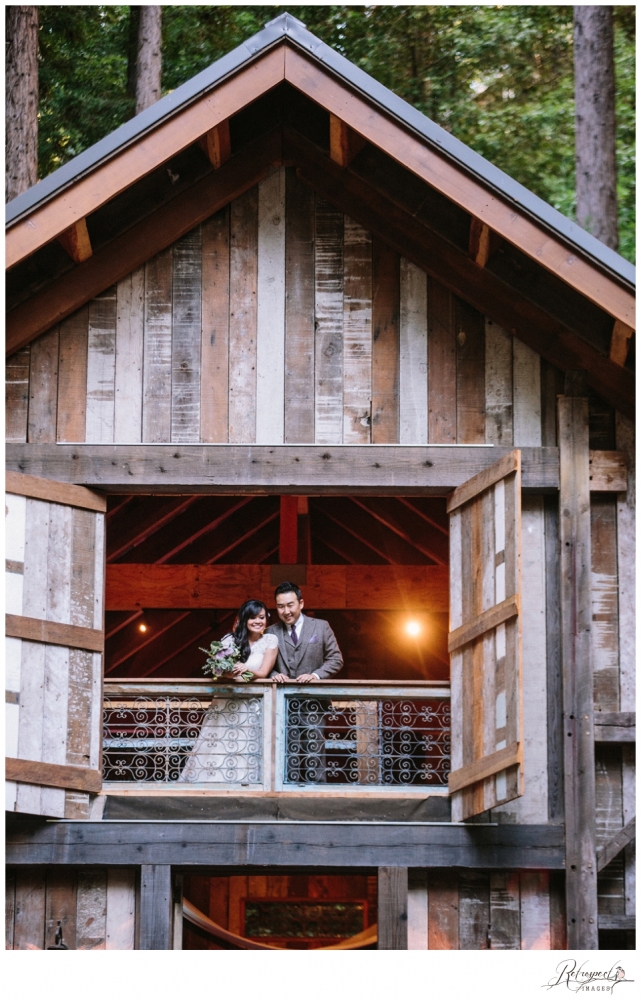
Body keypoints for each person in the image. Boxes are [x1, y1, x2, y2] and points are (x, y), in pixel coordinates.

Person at [178, 600, 277, 783]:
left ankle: (246, 783)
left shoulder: (270, 641)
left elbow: (263, 673)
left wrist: (245, 671)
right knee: (218, 744)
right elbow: (218, 672)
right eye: (253, 617)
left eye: (261, 617)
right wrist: (226, 672)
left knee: (246, 745)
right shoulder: (229, 640)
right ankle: (212, 782)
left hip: (251, 705)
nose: (258, 621)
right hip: (226, 702)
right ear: (244, 619)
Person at [266, 582, 343, 683]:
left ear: (301, 603)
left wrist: (315, 675)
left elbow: (336, 660)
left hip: (315, 695)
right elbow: (260, 663)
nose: (286, 611)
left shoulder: (322, 626)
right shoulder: (270, 632)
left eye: (290, 605)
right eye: (280, 606)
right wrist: (273, 674)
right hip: (281, 695)